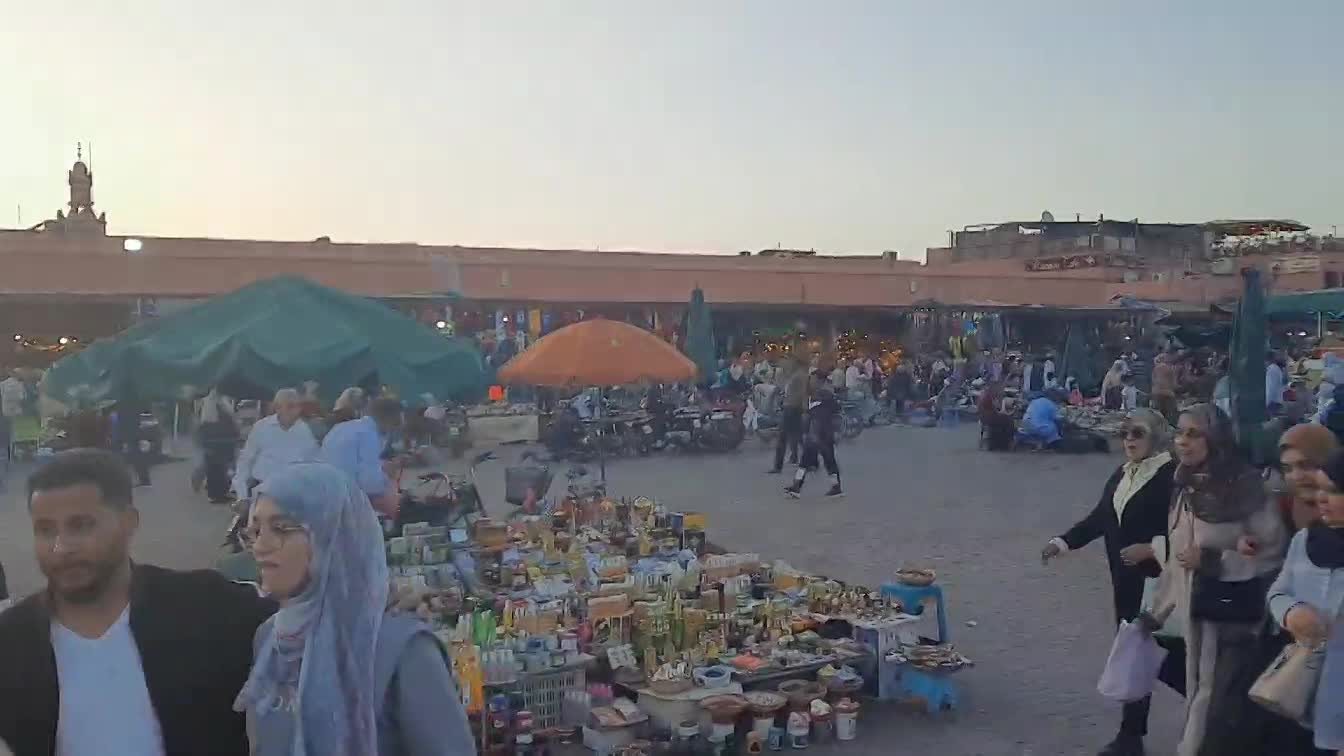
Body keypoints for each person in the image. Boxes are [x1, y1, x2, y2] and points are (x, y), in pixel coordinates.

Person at [0, 448, 276, 755]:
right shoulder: (11, 641)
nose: (61, 547)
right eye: (45, 530)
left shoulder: (208, 606)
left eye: (81, 526)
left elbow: (312, 625)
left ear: (129, 522)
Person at [237, 463, 474, 756]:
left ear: (330, 538)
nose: (260, 545)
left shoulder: (403, 651)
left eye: (281, 528)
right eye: (255, 530)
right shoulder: (271, 639)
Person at [1143, 404, 1287, 756]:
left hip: (1233, 618)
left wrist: (1214, 559)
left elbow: (1272, 550)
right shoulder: (1184, 484)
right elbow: (1179, 556)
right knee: (1200, 694)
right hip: (1195, 614)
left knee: (1219, 704)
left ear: (1216, 439)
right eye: (1179, 432)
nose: (1183, 442)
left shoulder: (1245, 486)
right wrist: (1157, 611)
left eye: (1194, 434)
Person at [1041, 409, 1181, 756]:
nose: (1129, 440)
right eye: (1124, 433)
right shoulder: (1123, 473)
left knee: (1168, 660)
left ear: (1157, 436)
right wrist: (1063, 542)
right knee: (1137, 655)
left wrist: (1151, 549)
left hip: (1161, 586)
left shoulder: (1171, 477)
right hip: (1127, 584)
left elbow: (1186, 532)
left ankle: (1220, 715)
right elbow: (1102, 516)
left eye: (1137, 433)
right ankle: (1131, 736)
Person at [1264, 448, 1344, 755]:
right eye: (1319, 488)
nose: (1321, 498)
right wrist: (1290, 612)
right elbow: (1278, 592)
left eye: (1334, 491)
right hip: (1297, 692)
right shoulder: (1306, 540)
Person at [232, 389, 319, 501]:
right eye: (291, 406)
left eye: (297, 406)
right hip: (262, 492)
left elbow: (315, 463)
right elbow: (245, 461)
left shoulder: (305, 430)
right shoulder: (261, 427)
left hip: (294, 494)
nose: (297, 410)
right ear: (277, 407)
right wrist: (242, 496)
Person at [321, 396, 403, 516]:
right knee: (403, 507)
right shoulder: (369, 435)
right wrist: (388, 476)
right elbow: (371, 485)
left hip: (326, 496)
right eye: (396, 425)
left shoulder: (341, 428)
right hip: (347, 504)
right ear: (388, 419)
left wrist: (381, 468)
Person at [785, 380, 842, 498]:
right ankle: (836, 487)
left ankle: (796, 487)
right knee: (829, 461)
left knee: (805, 462)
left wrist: (806, 433)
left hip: (815, 436)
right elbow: (836, 411)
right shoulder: (827, 397)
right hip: (826, 435)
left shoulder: (813, 401)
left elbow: (810, 420)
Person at [197, 390, 240, 504]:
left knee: (220, 468)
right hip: (216, 440)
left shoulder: (221, 401)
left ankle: (220, 492)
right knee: (215, 468)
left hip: (221, 440)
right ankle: (215, 494)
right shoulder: (212, 403)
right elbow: (208, 423)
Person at [770, 356, 809, 474]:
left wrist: (805, 410)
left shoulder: (800, 376)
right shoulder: (794, 375)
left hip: (792, 408)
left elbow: (803, 393)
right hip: (791, 407)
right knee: (797, 436)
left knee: (783, 437)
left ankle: (778, 466)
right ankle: (811, 461)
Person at [1150, 353, 1179, 425]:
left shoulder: (1155, 368)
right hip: (1168, 393)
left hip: (1156, 393)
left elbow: (1153, 381)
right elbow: (1174, 384)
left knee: (1157, 416)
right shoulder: (1171, 368)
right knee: (1170, 416)